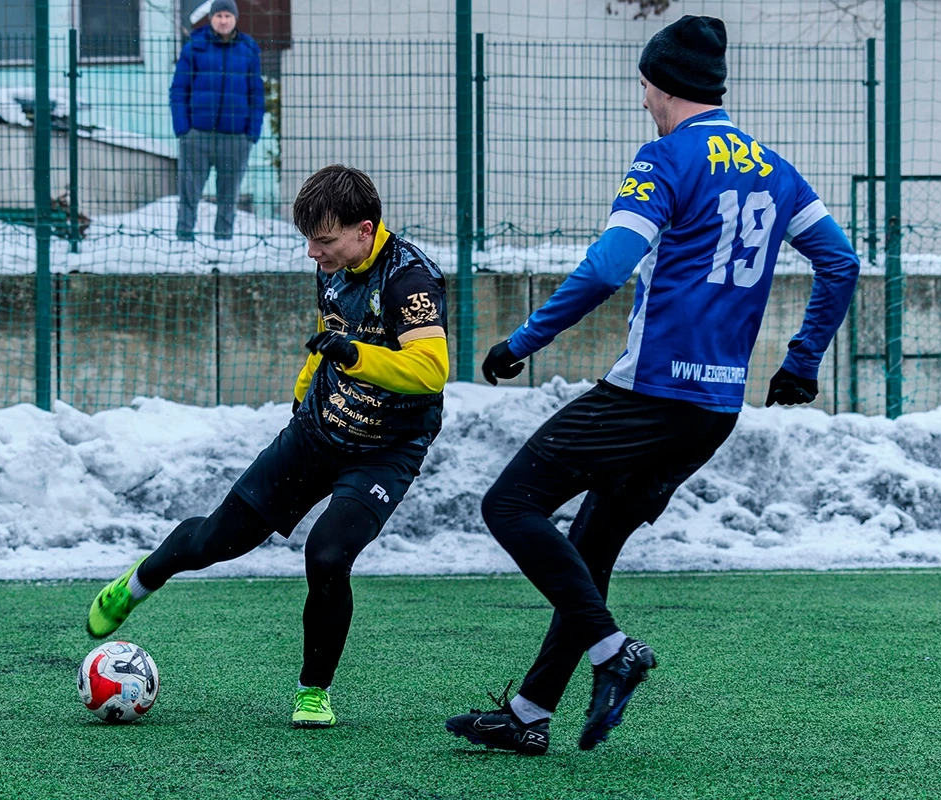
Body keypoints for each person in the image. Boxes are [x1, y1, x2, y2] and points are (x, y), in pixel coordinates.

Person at [444, 15, 860, 755]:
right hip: (714, 409)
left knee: (508, 504)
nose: (643, 100)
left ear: (660, 85)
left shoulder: (665, 158)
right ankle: (531, 713)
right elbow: (841, 262)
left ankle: (614, 653)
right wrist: (801, 361)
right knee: (589, 550)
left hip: (649, 394)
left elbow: (609, 266)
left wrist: (523, 341)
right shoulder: (775, 168)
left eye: (643, 86)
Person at [87, 165, 450, 728]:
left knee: (327, 555)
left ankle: (313, 692)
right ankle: (138, 582)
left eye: (323, 240)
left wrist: (354, 356)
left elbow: (431, 370)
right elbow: (329, 337)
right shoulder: (335, 267)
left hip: (386, 451)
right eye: (308, 239)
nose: (312, 252)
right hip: (317, 432)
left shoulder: (410, 280)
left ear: (364, 229)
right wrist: (304, 393)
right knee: (217, 540)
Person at [170, 0, 265, 241]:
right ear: (211, 18)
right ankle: (184, 239)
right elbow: (179, 90)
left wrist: (251, 134)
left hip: (235, 137)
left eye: (227, 16)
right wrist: (183, 130)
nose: (223, 20)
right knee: (189, 191)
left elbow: (256, 94)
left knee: (229, 195)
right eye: (218, 15)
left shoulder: (248, 49)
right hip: (197, 136)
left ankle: (223, 242)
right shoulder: (194, 47)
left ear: (235, 19)